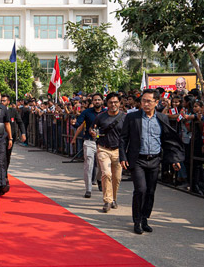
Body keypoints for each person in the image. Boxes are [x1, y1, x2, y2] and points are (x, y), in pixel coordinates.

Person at [120, 89, 184, 235]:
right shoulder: (132, 117)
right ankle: (136, 221)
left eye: (149, 101)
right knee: (140, 189)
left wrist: (174, 159)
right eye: (143, 100)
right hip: (137, 160)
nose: (145, 103)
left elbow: (168, 141)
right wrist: (123, 157)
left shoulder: (162, 118)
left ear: (156, 102)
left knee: (150, 191)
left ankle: (144, 219)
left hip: (155, 160)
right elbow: (123, 138)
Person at [94, 93, 125, 213]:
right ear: (107, 103)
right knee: (106, 174)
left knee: (117, 177)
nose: (113, 104)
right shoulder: (101, 117)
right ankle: (107, 200)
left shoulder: (124, 117)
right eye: (111, 102)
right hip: (103, 149)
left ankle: (114, 199)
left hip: (118, 151)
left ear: (120, 103)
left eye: (116, 102)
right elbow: (94, 129)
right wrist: (94, 134)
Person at [71, 94, 106, 198]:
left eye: (99, 100)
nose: (97, 101)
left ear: (102, 101)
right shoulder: (86, 112)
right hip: (89, 141)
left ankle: (99, 179)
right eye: (95, 100)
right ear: (92, 102)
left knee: (102, 166)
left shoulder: (106, 113)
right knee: (89, 165)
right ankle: (88, 189)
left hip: (103, 142)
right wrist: (74, 124)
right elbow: (79, 123)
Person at [1, 94, 25, 170]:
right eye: (1, 100)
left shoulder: (13, 111)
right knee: (1, 156)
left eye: (4, 101)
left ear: (8, 102)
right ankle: (2, 173)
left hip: (10, 137)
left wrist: (23, 133)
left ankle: (5, 172)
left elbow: (20, 122)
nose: (2, 102)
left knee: (7, 155)